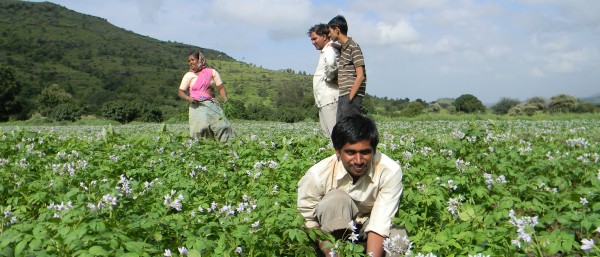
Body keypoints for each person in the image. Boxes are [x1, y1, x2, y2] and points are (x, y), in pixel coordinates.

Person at [297, 114, 405, 257]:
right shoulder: (318, 175)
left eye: (365, 152)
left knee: (399, 239)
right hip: (332, 233)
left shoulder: (389, 171)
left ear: (374, 150)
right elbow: (308, 221)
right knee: (336, 199)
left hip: (369, 227)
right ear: (337, 151)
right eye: (350, 152)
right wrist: (334, 254)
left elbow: (380, 224)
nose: (359, 160)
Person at [178, 50, 234, 141]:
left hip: (212, 104)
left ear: (200, 59)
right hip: (197, 105)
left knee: (223, 126)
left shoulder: (212, 72)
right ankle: (204, 149)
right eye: (189, 61)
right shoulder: (188, 75)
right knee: (201, 129)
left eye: (193, 60)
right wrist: (189, 98)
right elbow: (180, 91)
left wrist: (225, 99)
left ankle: (228, 150)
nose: (190, 62)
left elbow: (221, 88)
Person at [327, 15, 367, 121]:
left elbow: (360, 76)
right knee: (341, 127)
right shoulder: (345, 48)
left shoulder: (353, 47)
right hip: (344, 94)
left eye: (330, 31)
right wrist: (337, 47)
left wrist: (350, 98)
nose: (329, 35)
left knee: (349, 127)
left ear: (337, 30)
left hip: (350, 95)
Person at [307, 23, 340, 137]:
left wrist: (329, 78)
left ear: (324, 37)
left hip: (330, 99)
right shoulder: (326, 51)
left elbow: (331, 64)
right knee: (329, 135)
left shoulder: (329, 49)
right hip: (324, 100)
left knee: (334, 136)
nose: (313, 42)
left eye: (315, 38)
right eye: (312, 39)